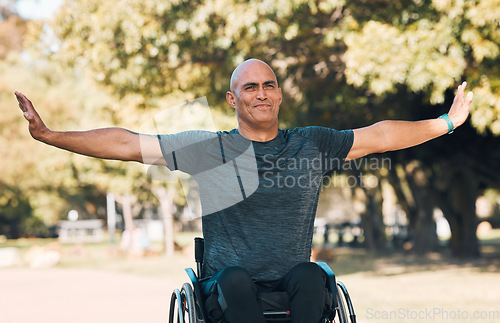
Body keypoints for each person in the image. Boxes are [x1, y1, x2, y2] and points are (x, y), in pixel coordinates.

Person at [15, 59, 473, 323]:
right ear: (233, 100)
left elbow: (381, 135)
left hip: (290, 287)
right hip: (226, 292)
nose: (261, 93)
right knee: (234, 278)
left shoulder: (311, 144)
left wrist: (446, 122)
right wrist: (53, 135)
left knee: (314, 275)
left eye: (269, 85)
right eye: (250, 87)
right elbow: (126, 142)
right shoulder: (207, 149)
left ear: (278, 96)